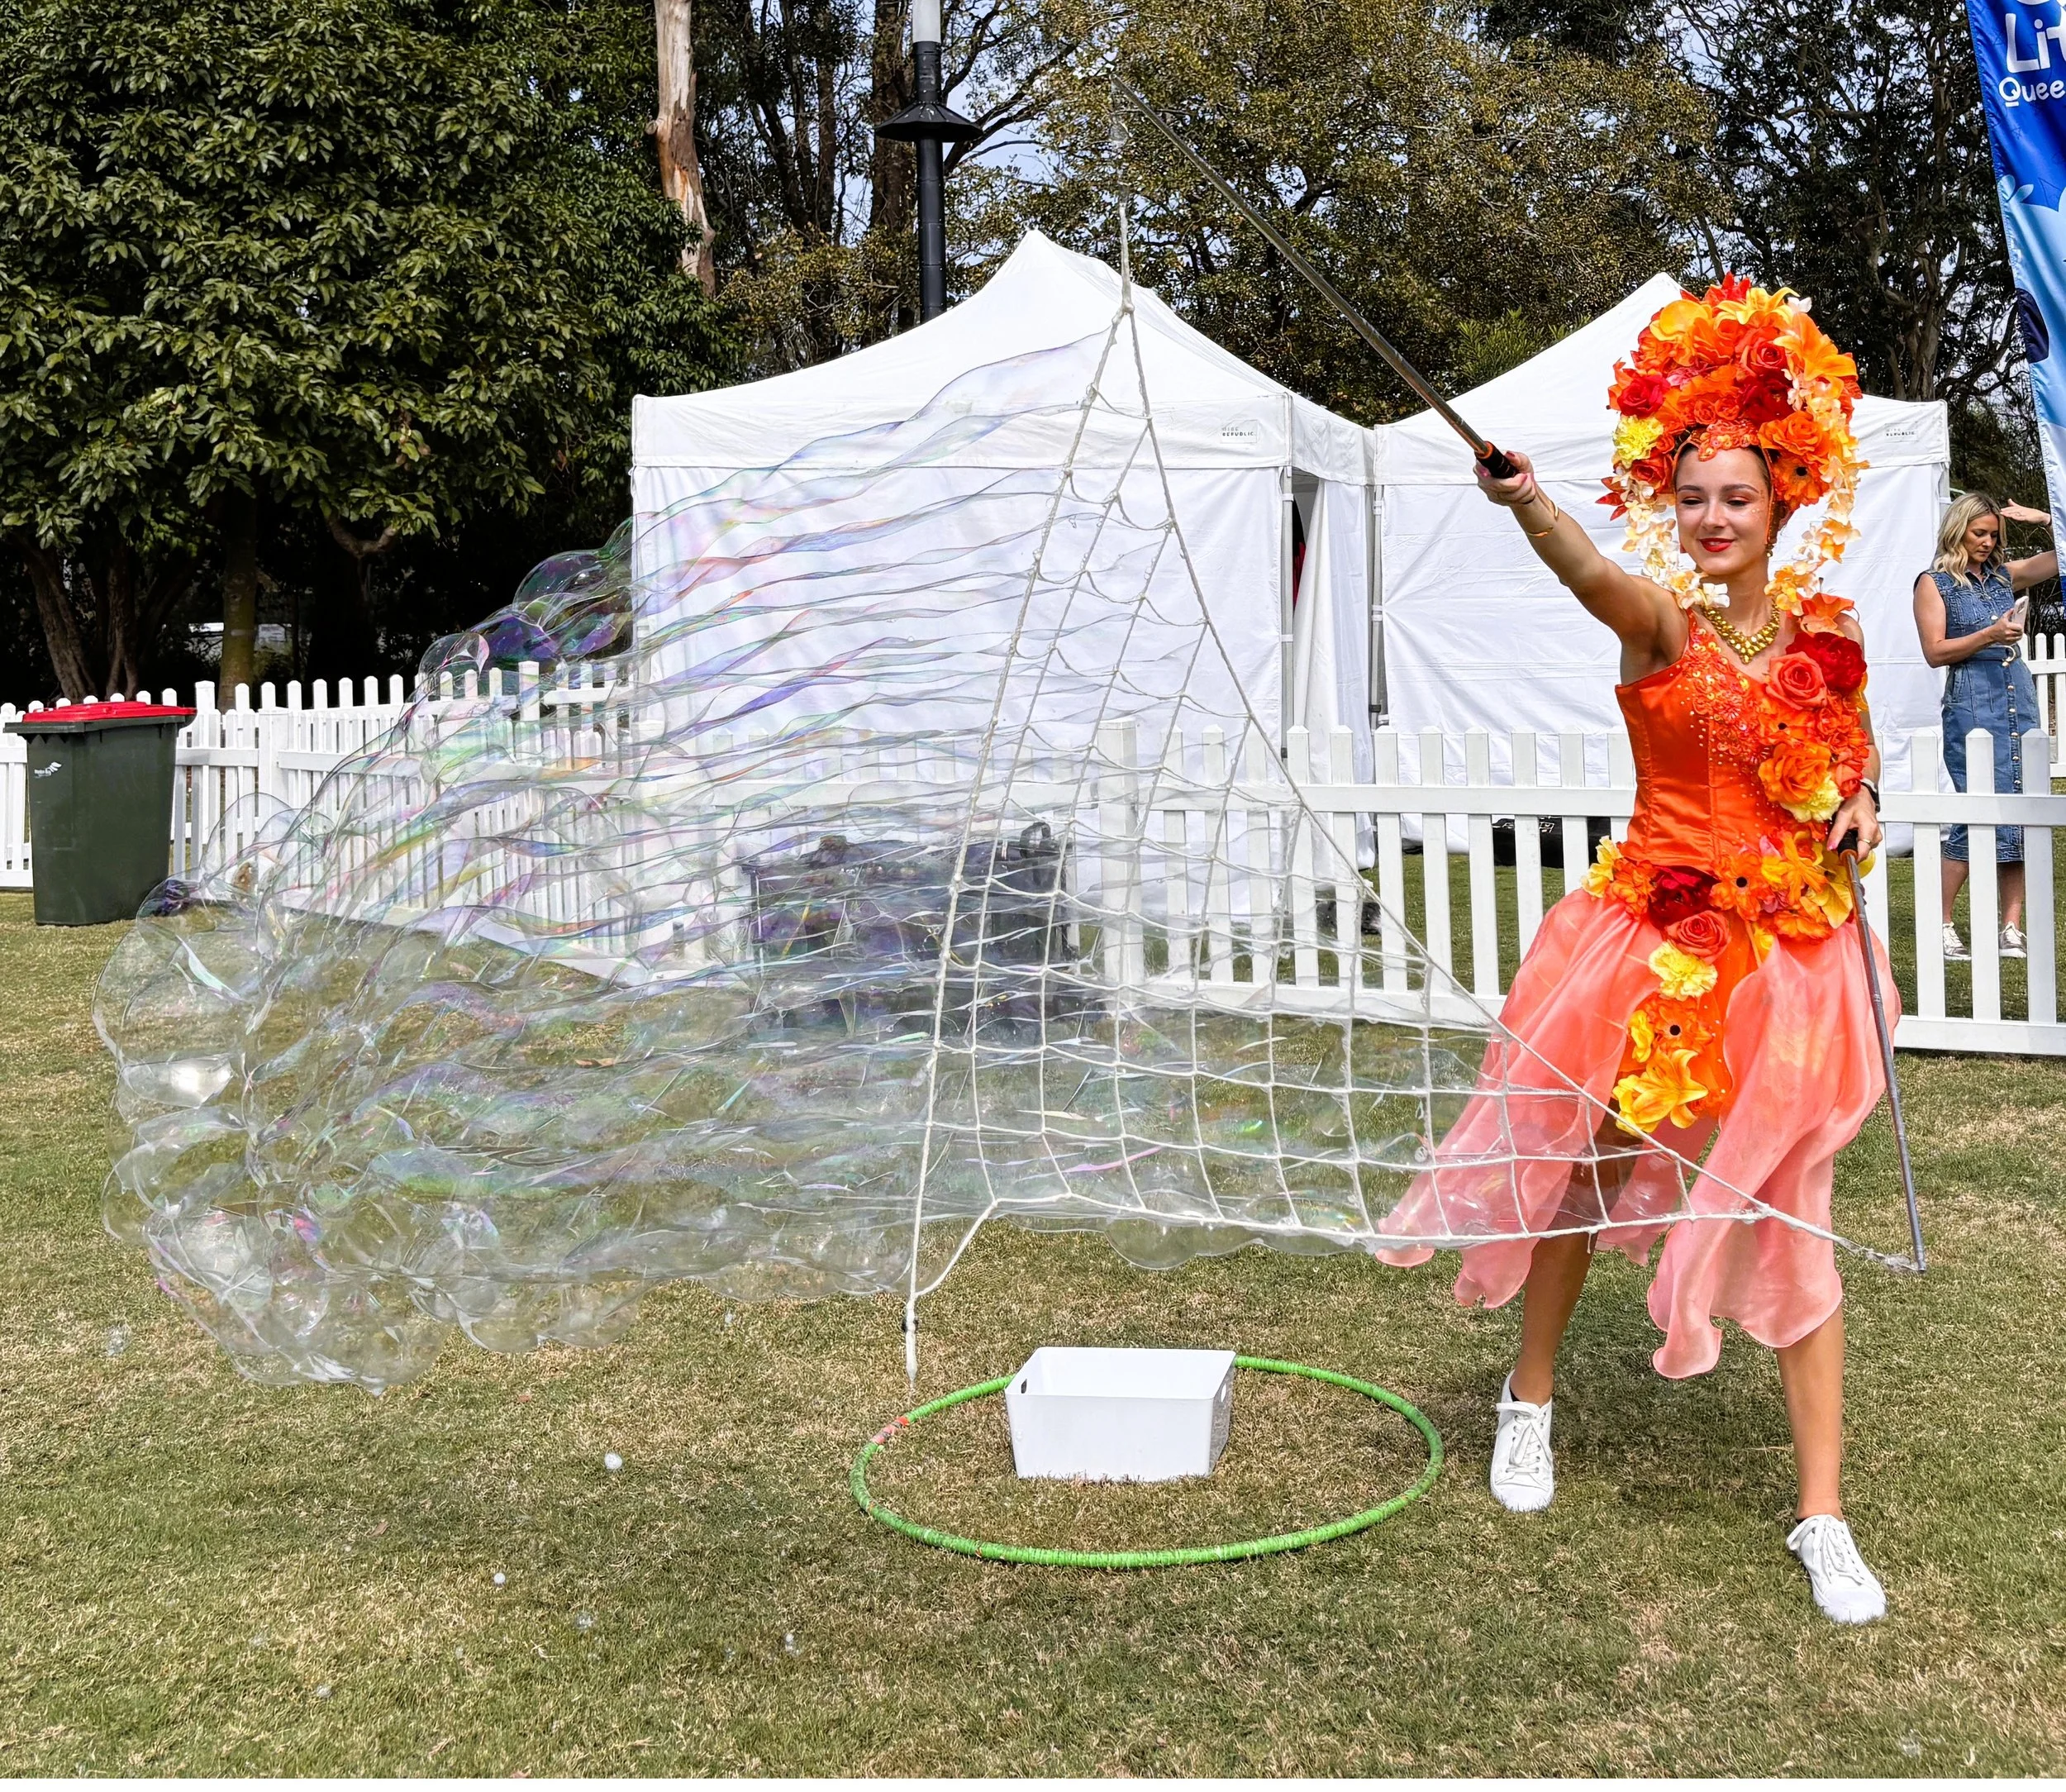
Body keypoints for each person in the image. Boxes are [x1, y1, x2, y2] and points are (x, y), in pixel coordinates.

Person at [1378, 279, 1892, 1625]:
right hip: (1652, 948)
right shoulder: (1661, 624)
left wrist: (1860, 806)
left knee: (1796, 1216)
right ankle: (1529, 1396)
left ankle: (1822, 1513)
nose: (1712, 518)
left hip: (1789, 963)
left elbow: (1851, 760)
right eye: (1693, 497)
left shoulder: (1829, 636)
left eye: (1737, 496)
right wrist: (1530, 503)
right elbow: (1589, 571)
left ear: (1782, 504)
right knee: (1589, 1177)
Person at [1911, 494, 2056, 961]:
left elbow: (2061, 559)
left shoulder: (2002, 576)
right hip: (1972, 697)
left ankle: (2010, 928)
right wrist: (1990, 635)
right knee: (1974, 812)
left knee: (2018, 810)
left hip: (2017, 692)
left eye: (1994, 534)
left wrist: (2048, 518)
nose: (1988, 542)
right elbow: (1935, 651)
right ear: (1958, 530)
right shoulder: (1934, 584)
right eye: (1979, 533)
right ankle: (1942, 923)